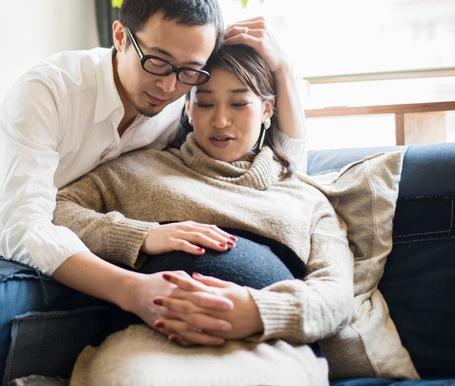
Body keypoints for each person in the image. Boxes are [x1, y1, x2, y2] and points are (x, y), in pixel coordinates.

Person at [0, 0, 306, 385]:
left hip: (66, 280)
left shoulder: (176, 103)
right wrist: (136, 283)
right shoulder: (49, 91)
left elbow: (282, 165)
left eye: (189, 71)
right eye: (158, 62)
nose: (167, 86)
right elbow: (22, 228)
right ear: (119, 35)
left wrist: (283, 68)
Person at [52, 44, 353, 382]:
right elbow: (55, 211)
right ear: (188, 109)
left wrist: (259, 312)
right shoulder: (139, 170)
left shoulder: (306, 198)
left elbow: (337, 296)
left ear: (268, 108)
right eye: (205, 103)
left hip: (269, 346)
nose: (220, 120)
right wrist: (141, 235)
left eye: (239, 104)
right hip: (149, 343)